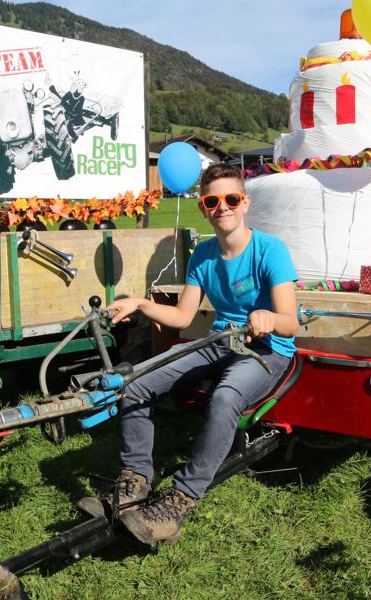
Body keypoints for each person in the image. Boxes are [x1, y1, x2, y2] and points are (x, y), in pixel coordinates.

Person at [80, 163, 300, 545]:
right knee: (133, 383)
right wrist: (141, 304)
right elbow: (183, 316)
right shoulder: (203, 255)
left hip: (267, 349)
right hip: (220, 343)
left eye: (231, 199)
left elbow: (291, 324)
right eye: (213, 201)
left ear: (245, 202)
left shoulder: (270, 251)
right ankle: (135, 483)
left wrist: (269, 317)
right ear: (203, 207)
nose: (223, 207)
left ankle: (179, 501)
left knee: (226, 396)